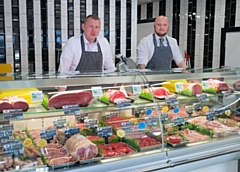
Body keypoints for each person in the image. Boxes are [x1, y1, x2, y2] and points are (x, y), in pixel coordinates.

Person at [58, 14, 116, 91]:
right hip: (75, 90)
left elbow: (110, 69)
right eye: (90, 26)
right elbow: (63, 72)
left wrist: (117, 87)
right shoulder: (72, 43)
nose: (94, 30)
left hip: (97, 91)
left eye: (96, 27)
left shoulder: (104, 42)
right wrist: (61, 96)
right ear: (83, 27)